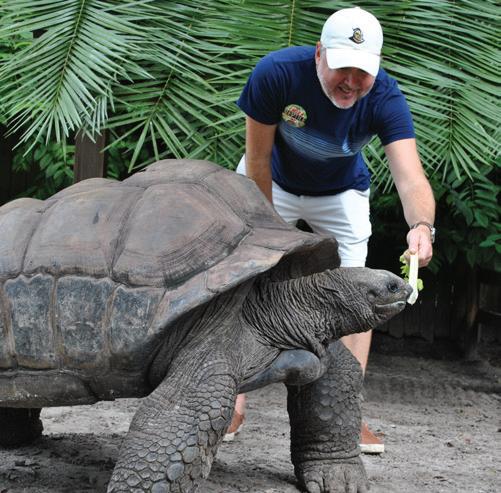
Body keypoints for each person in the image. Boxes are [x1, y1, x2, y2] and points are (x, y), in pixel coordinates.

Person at [224, 6, 435, 453]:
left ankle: (345, 412)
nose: (352, 82)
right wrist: (268, 235)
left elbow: (411, 178)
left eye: (363, 72)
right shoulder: (277, 73)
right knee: (242, 277)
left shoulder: (385, 97)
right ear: (319, 54)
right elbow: (258, 159)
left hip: (341, 192)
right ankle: (230, 401)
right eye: (343, 68)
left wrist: (421, 226)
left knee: (362, 294)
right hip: (271, 181)